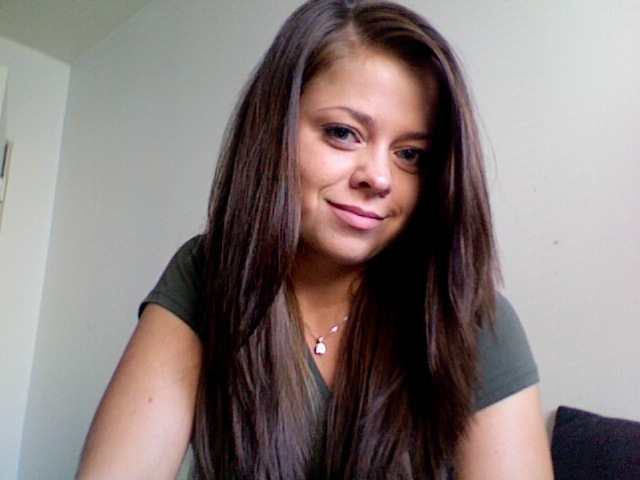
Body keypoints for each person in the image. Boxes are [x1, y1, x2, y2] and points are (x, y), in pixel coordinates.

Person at [76, 0, 554, 478]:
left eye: (410, 154)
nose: (379, 178)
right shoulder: (206, 271)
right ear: (276, 131)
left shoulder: (470, 317)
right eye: (343, 133)